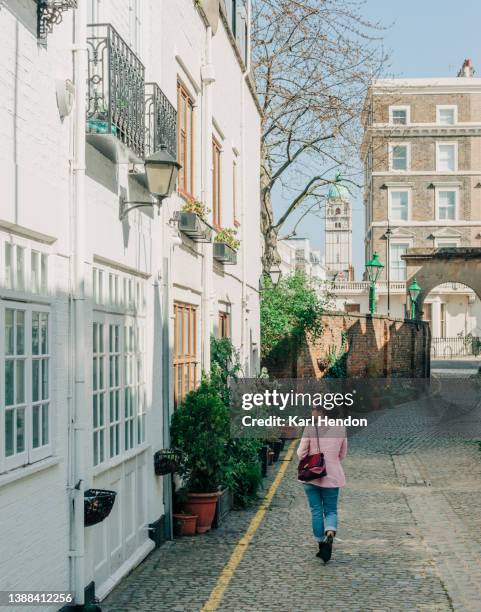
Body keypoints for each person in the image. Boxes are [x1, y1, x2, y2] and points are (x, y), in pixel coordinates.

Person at [297, 407, 347, 563]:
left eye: (313, 408)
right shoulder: (341, 427)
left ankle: (321, 544)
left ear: (321, 411)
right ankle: (330, 533)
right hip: (332, 476)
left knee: (316, 510)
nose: (311, 411)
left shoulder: (310, 427)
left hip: (311, 476)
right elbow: (342, 454)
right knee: (331, 510)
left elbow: (301, 453)